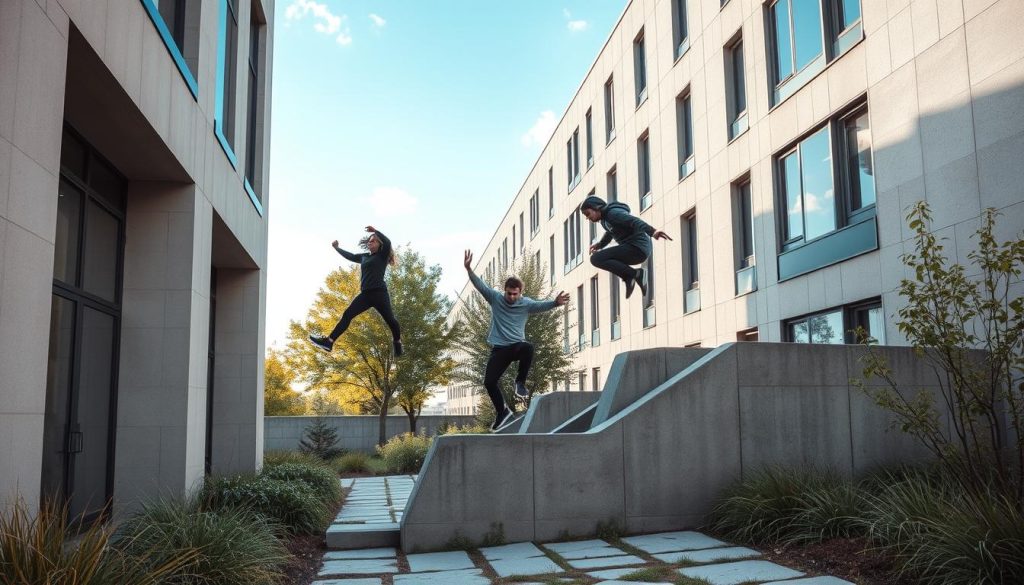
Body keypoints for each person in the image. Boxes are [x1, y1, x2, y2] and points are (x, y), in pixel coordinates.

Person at [464, 249, 569, 430]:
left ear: (520, 292)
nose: (512, 297)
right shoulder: (495, 298)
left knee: (528, 347)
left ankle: (520, 383)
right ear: (504, 291)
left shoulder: (526, 303)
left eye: (515, 294)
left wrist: (555, 302)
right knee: (489, 382)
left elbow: (541, 305)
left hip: (516, 347)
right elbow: (480, 285)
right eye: (509, 293)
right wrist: (469, 269)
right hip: (499, 349)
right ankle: (502, 412)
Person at [309, 226, 403, 357]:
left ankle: (397, 343)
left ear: (379, 245)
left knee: (390, 320)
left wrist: (375, 231)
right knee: (347, 314)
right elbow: (351, 256)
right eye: (369, 240)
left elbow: (388, 242)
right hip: (365, 295)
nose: (370, 241)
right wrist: (337, 248)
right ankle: (329, 342)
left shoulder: (382, 255)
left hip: (380, 294)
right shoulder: (364, 257)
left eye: (374, 240)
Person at [581, 195, 672, 299]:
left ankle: (636, 274)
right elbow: (610, 232)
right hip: (635, 250)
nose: (588, 218)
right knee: (599, 258)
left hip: (637, 248)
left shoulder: (613, 214)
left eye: (588, 214)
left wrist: (653, 231)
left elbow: (634, 221)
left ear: (596, 207)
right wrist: (600, 244)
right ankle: (629, 277)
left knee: (596, 259)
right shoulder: (604, 219)